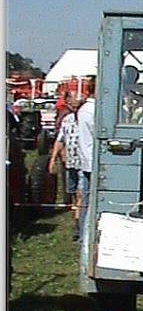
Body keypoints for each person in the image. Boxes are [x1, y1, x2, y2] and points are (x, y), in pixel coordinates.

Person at [48, 95, 83, 240]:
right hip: (70, 162)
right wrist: (53, 159)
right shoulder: (67, 120)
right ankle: (78, 219)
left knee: (81, 194)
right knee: (73, 193)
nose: (74, 109)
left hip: (84, 163)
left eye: (77, 106)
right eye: (72, 106)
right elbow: (60, 140)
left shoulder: (87, 119)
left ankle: (79, 227)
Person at [77, 76, 96, 244]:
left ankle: (83, 235)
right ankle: (85, 236)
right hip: (93, 159)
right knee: (90, 202)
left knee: (86, 200)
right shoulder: (93, 110)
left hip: (86, 158)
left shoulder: (84, 109)